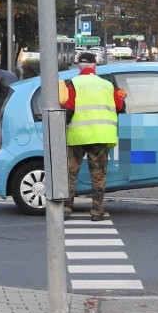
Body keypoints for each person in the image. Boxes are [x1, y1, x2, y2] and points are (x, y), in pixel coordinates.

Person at [59, 52, 127, 221]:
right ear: (95, 66)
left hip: (77, 136)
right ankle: (97, 211)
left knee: (70, 173)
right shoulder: (108, 85)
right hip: (100, 136)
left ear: (77, 66)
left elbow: (68, 108)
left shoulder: (72, 84)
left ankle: (66, 208)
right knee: (98, 174)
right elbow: (119, 106)